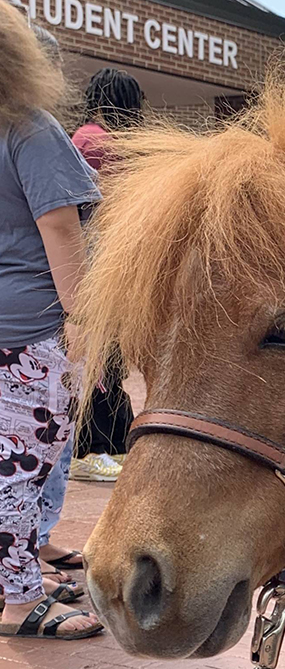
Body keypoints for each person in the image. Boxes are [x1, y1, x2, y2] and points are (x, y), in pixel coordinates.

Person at [0, 0, 103, 639]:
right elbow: (62, 230)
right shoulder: (28, 128)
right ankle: (17, 602)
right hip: (34, 333)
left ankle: (21, 576)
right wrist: (88, 326)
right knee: (21, 469)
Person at [67, 67, 144, 482]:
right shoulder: (99, 143)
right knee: (101, 363)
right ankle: (93, 448)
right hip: (99, 268)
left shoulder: (84, 137)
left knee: (104, 363)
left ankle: (103, 444)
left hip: (98, 265)